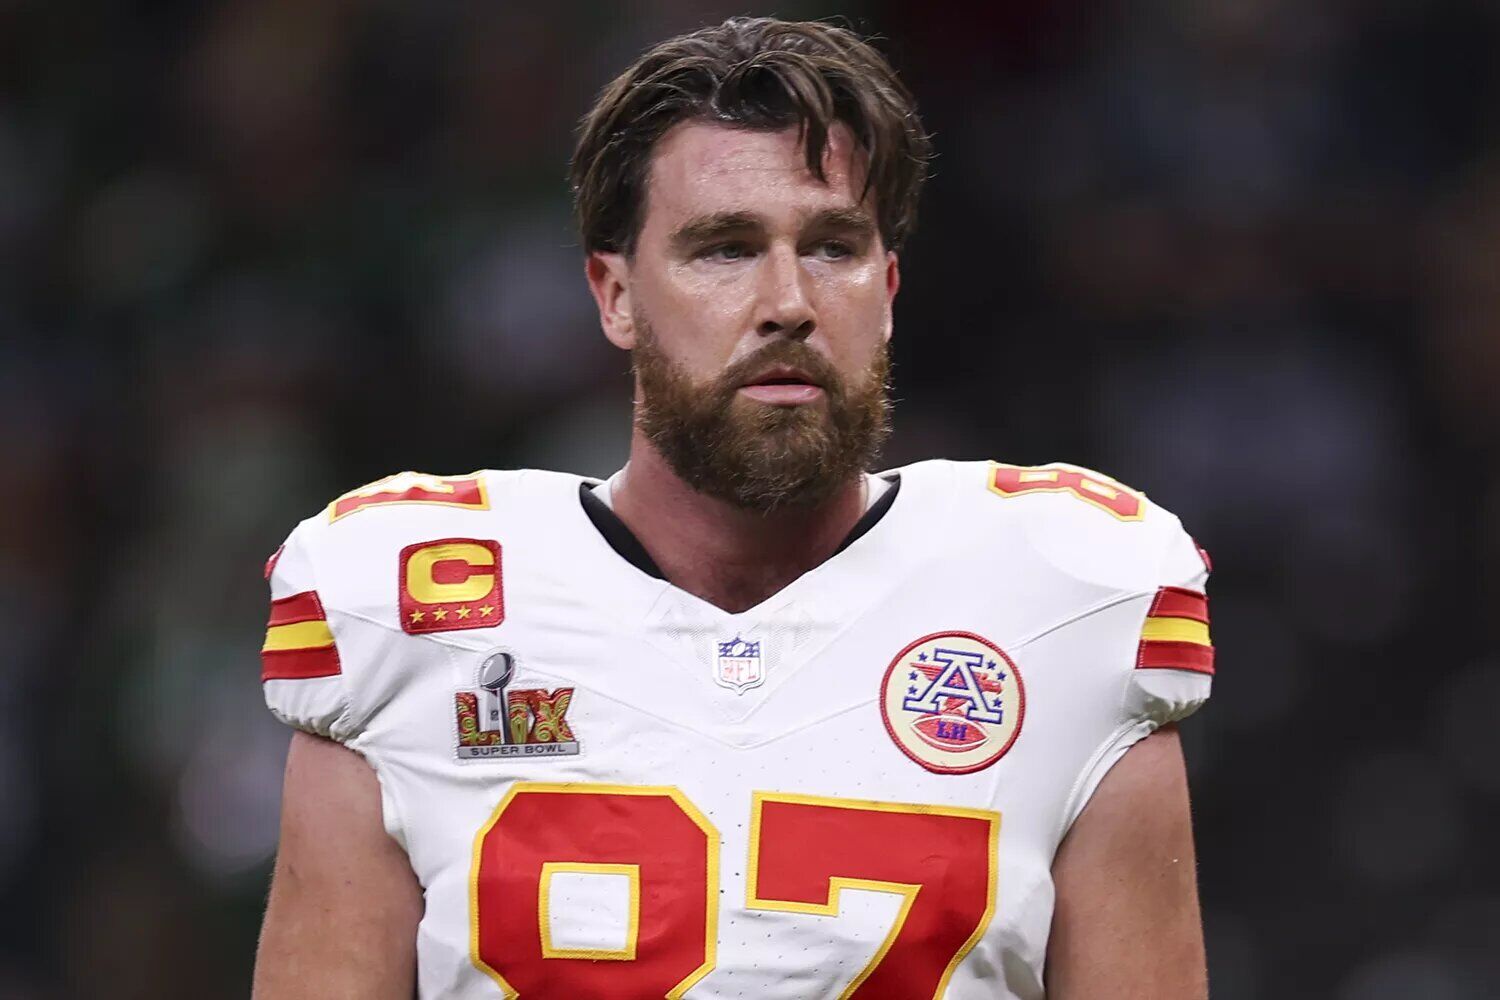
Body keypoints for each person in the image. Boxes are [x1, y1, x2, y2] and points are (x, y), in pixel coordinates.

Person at [252, 16, 1214, 1000]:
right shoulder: (401, 609)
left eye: (833, 246)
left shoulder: (1070, 596)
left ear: (887, 291)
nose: (788, 299)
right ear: (615, 294)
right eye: (724, 249)